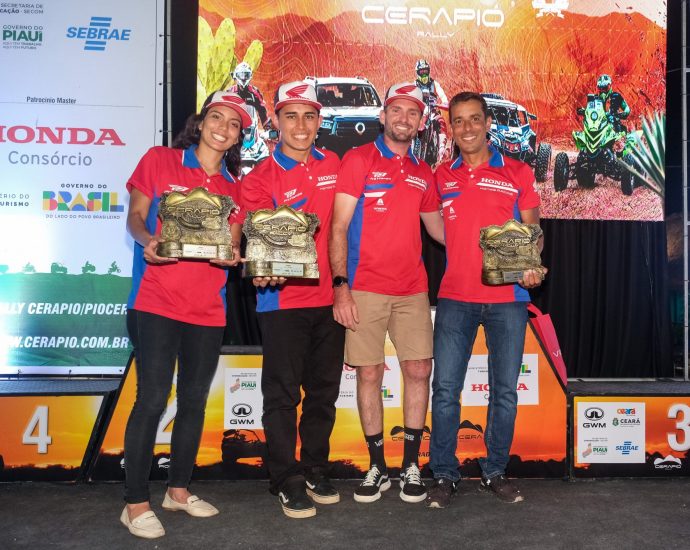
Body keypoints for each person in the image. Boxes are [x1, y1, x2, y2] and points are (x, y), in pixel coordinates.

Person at [121, 91, 251, 538]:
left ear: (238, 137)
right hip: (155, 301)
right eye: (217, 117)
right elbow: (135, 217)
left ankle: (177, 490)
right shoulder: (160, 160)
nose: (223, 128)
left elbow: (231, 244)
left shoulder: (234, 188)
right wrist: (149, 241)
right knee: (153, 398)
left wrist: (231, 256)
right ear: (201, 122)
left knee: (193, 400)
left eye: (233, 124)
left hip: (208, 308)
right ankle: (135, 502)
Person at [426, 91, 546, 509]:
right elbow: (436, 228)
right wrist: (462, 246)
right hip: (455, 297)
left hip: (508, 298)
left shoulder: (518, 171)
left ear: (488, 123)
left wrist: (529, 265)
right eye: (458, 121)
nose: (467, 128)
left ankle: (495, 471)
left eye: (474, 119)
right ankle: (444, 474)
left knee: (504, 392)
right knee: (445, 390)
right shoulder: (442, 175)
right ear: (451, 128)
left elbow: (534, 234)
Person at [329, 82, 445, 504]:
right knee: (369, 374)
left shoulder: (423, 171)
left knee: (419, 370)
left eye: (412, 112)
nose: (403, 118)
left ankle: (411, 465)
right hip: (363, 287)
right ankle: (376, 466)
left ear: (421, 123)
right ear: (383, 116)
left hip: (412, 289)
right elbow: (338, 227)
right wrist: (340, 287)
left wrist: (493, 243)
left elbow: (440, 230)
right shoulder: (358, 159)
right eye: (396, 110)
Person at [240, 81, 344, 519]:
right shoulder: (258, 178)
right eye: (291, 116)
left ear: (319, 122)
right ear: (276, 122)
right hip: (281, 301)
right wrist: (261, 267)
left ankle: (316, 468)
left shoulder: (334, 164)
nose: (300, 126)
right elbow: (259, 243)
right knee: (282, 396)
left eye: (308, 116)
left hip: (329, 299)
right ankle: (285, 478)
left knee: (323, 392)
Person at [414, 59, 449, 162]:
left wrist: (445, 102)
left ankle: (442, 149)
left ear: (429, 71)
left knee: (441, 122)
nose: (424, 74)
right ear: (418, 73)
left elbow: (442, 96)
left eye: (426, 71)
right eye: (422, 72)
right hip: (419, 112)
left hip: (433, 110)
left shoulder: (435, 84)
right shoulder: (414, 85)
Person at [229, 61, 272, 132]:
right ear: (236, 76)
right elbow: (223, 109)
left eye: (246, 75)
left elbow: (262, 110)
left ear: (250, 76)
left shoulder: (254, 91)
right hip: (233, 127)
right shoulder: (230, 92)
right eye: (241, 75)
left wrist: (267, 127)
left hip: (251, 128)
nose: (243, 78)